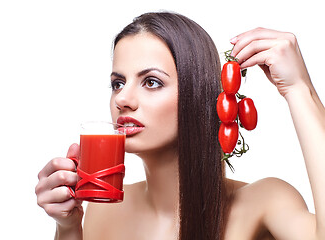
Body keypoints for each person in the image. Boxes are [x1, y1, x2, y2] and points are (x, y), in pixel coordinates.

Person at [35, 12, 325, 240]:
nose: (122, 99)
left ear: (199, 94)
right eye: (117, 83)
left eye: (151, 82)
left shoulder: (264, 201)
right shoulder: (100, 210)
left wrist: (299, 89)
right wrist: (67, 227)